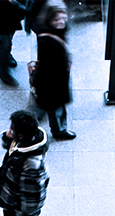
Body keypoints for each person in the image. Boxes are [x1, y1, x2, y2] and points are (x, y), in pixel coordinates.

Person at [31, 0, 76, 140]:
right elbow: (47, 66)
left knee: (43, 106)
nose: (61, 21)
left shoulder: (54, 30)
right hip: (52, 83)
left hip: (52, 81)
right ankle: (59, 131)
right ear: (49, 18)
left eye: (63, 17)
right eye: (57, 19)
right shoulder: (47, 40)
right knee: (55, 107)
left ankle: (33, 124)